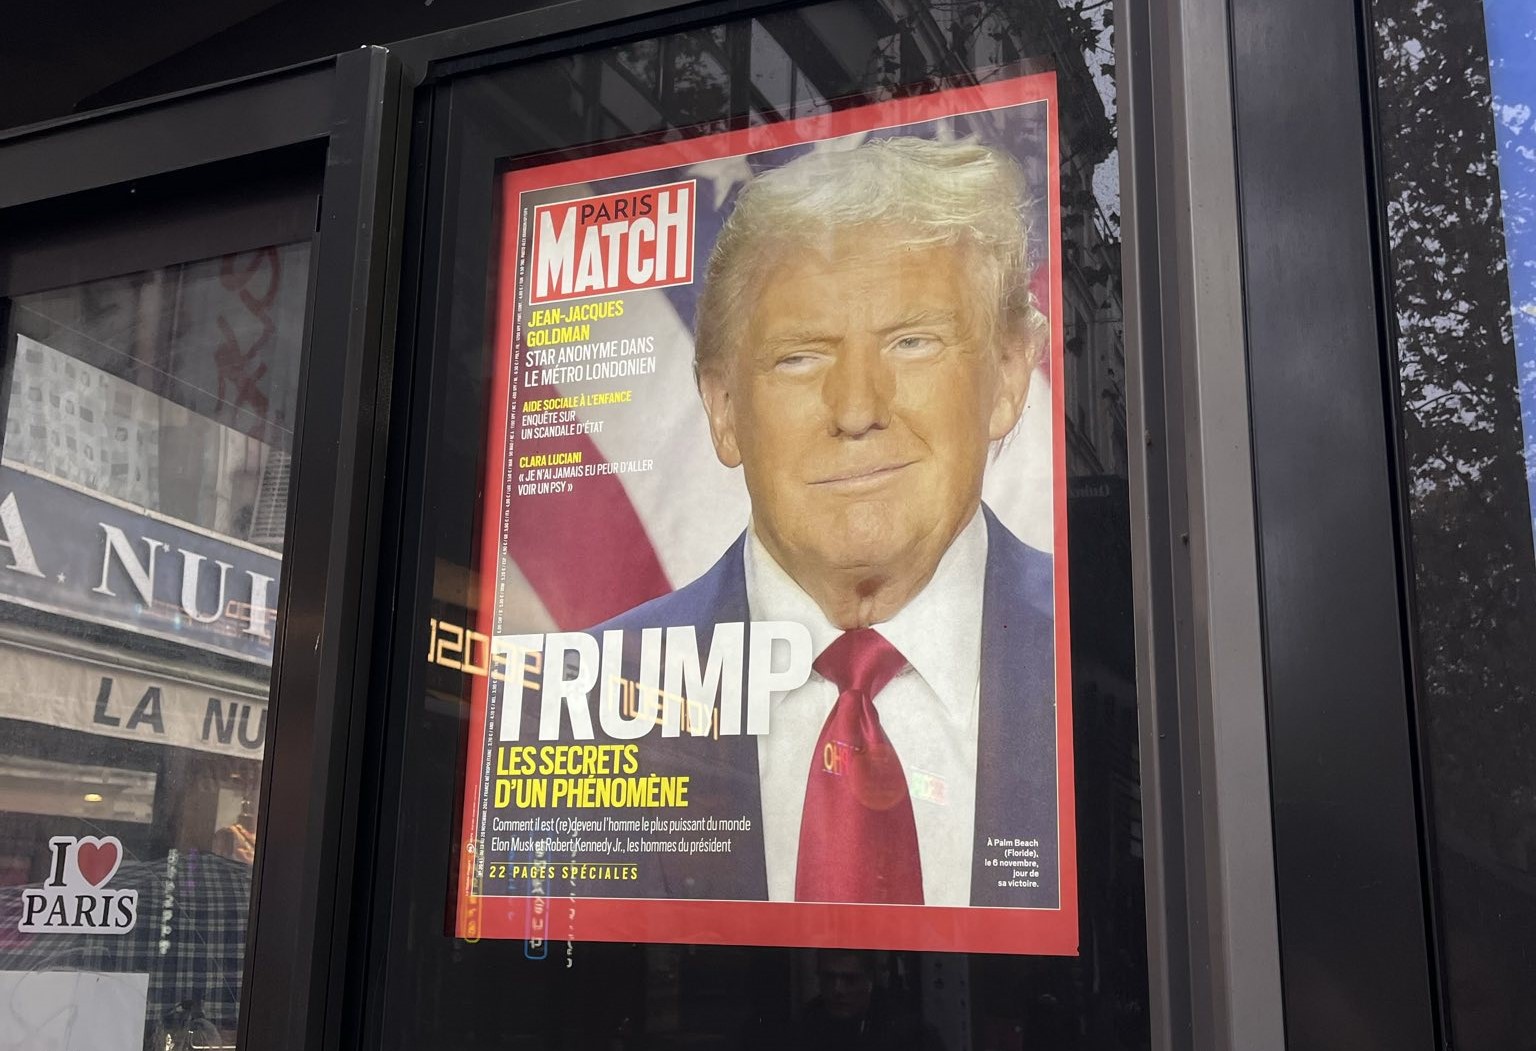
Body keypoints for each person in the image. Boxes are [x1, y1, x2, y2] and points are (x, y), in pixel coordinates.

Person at [588, 135, 1059, 909]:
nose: (856, 409)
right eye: (801, 357)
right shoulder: (591, 698)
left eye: (912, 342)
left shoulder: (1103, 650)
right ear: (725, 408)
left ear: (1008, 375)